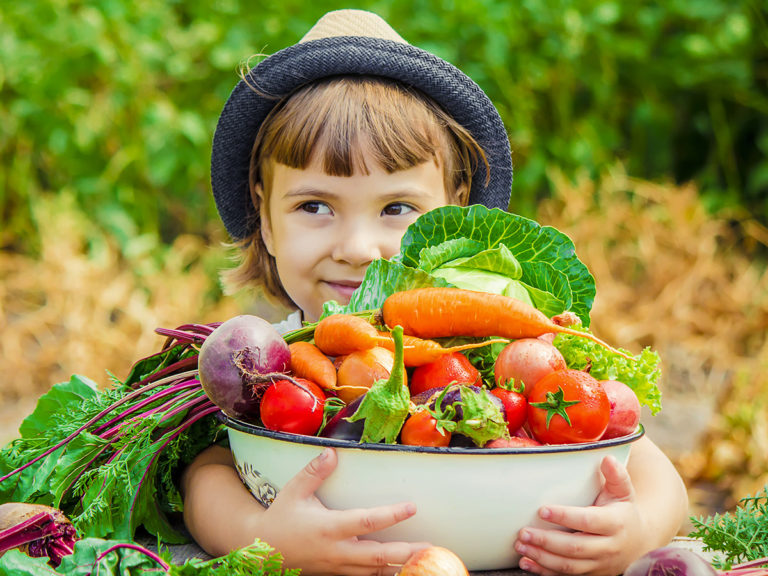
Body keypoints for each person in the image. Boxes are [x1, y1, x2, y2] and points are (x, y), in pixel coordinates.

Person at [181, 9, 688, 576]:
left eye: (396, 209)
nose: (358, 247)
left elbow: (656, 473)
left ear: (456, 210)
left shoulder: (508, 354)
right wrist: (260, 533)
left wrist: (635, 529)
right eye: (314, 207)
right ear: (267, 220)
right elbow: (204, 475)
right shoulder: (266, 368)